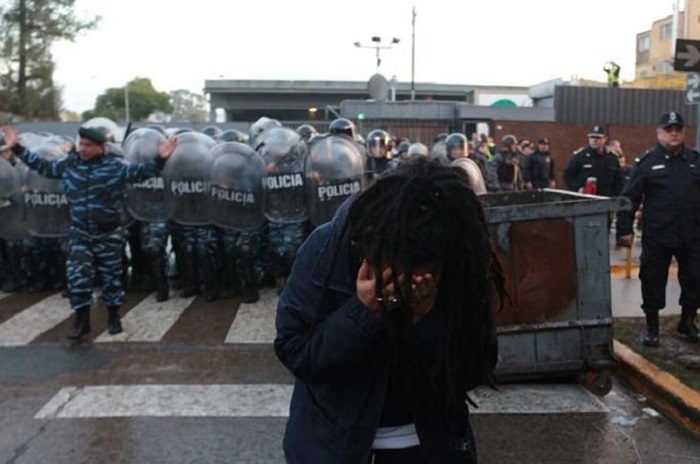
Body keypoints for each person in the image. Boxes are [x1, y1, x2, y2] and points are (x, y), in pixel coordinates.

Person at [275, 159, 502, 463]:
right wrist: (364, 313)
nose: (412, 283)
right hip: (334, 444)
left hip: (430, 443)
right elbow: (297, 353)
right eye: (398, 271)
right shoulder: (325, 250)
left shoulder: (458, 257)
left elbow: (478, 366)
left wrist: (426, 318)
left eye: (427, 272)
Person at [1, 124, 177, 340]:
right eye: (81, 144)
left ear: (101, 148)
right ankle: (81, 321)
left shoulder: (114, 167)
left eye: (88, 145)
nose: (82, 148)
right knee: (78, 279)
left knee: (111, 279)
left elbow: (141, 173)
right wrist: (17, 149)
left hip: (107, 234)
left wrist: (161, 159)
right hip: (79, 234)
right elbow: (43, 167)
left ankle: (114, 318)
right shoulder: (70, 165)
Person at [616, 111, 700, 347]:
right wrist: (625, 228)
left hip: (691, 234)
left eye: (678, 130)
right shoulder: (647, 162)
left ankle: (687, 321)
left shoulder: (694, 160)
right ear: (659, 133)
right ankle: (652, 327)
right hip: (658, 234)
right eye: (668, 130)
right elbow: (629, 197)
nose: (674, 134)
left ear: (683, 132)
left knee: (695, 278)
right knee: (652, 280)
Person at [563, 126, 623, 197]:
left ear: (605, 139)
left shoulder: (612, 159)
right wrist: (578, 188)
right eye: (592, 137)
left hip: (607, 200)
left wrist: (616, 197)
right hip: (586, 200)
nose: (594, 140)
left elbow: (619, 180)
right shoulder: (580, 157)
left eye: (598, 138)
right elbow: (568, 175)